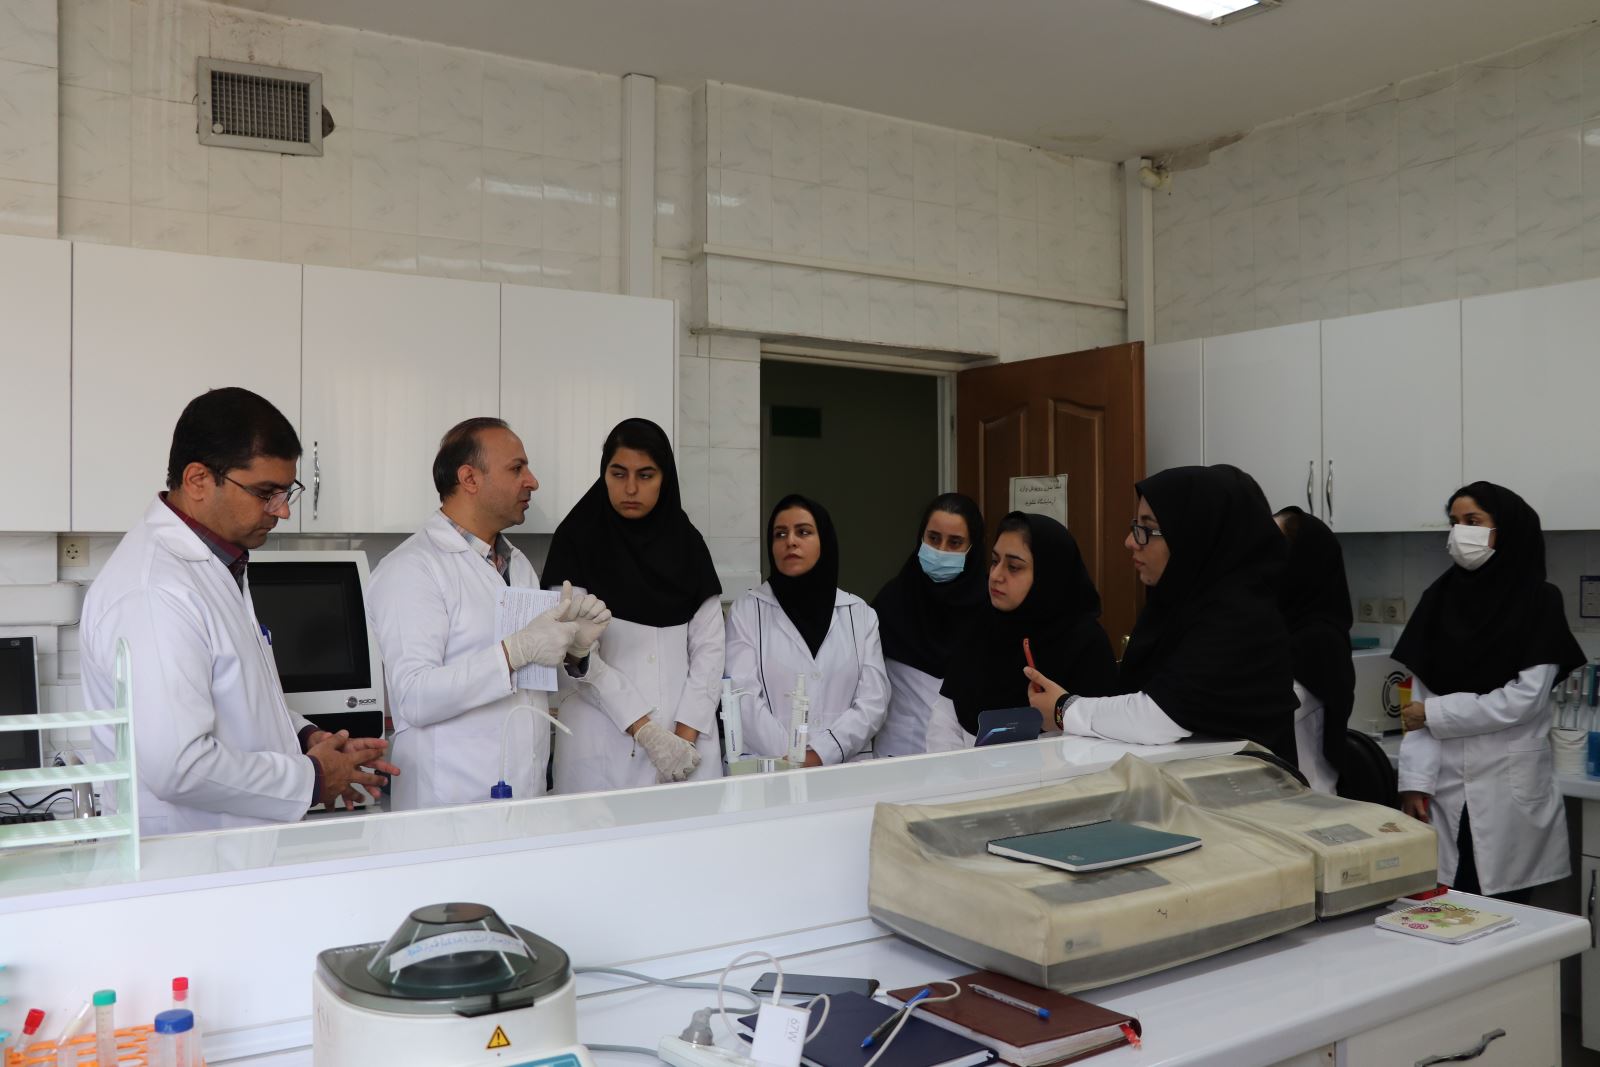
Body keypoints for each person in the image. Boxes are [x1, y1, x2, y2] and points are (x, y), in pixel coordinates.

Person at [82, 388, 398, 835]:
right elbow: (179, 766)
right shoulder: (154, 591)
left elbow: (240, 698)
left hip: (234, 851)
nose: (282, 511)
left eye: (287, 492)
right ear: (197, 480)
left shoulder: (217, 565)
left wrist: (307, 738)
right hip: (186, 858)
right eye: (266, 493)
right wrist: (312, 778)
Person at [367, 418, 606, 809]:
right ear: (469, 479)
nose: (532, 481)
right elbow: (414, 696)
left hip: (521, 797)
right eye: (517, 468)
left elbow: (528, 682)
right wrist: (513, 652)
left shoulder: (517, 564)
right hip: (450, 806)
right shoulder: (412, 569)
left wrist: (574, 654)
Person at [1023, 465, 1299, 764]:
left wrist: (1065, 710)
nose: (1130, 541)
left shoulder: (1240, 617)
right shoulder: (1178, 607)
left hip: (1250, 788)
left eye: (1147, 529)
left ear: (1192, 536)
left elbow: (1159, 716)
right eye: (1136, 525)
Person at [1394, 482, 1585, 900]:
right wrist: (1414, 781)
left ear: (1506, 528)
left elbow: (1524, 700)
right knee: (1443, 911)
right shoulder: (1438, 598)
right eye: (1454, 522)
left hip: (1507, 793)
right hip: (1441, 792)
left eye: (1473, 521)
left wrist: (1436, 714)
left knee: (1504, 917)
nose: (1460, 532)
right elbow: (1418, 706)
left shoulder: (1539, 600)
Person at [542, 418, 725, 792]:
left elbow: (710, 650)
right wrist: (646, 731)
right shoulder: (575, 541)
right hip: (601, 745)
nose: (630, 488)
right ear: (604, 473)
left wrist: (683, 739)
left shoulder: (689, 545)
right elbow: (573, 656)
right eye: (618, 473)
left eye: (646, 475)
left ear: (665, 478)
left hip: (688, 743)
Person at [725, 495, 889, 765]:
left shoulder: (860, 614)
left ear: (824, 541)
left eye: (803, 532)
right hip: (769, 767)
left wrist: (822, 753)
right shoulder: (746, 611)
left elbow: (874, 701)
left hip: (843, 769)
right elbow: (742, 697)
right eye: (780, 534)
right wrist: (794, 758)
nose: (790, 541)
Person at [940, 512, 1119, 743]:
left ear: (1049, 575)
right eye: (994, 561)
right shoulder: (979, 624)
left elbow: (1100, 735)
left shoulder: (1086, 645)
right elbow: (945, 717)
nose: (996, 575)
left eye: (1014, 567)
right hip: (965, 764)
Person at [870, 493, 988, 755]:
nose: (941, 550)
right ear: (920, 538)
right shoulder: (892, 603)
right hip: (898, 754)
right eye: (933, 538)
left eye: (955, 542)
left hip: (968, 756)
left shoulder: (991, 610)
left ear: (973, 547)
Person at [1274, 506, 1355, 793]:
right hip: (1276, 795)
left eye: (1274, 544)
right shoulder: (1279, 627)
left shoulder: (1320, 640)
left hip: (1308, 799)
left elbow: (1267, 709)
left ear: (1304, 560)